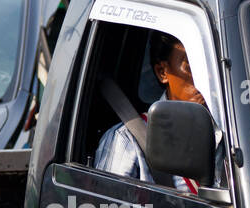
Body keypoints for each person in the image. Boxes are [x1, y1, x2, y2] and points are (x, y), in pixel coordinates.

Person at [94, 31, 220, 193]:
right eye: (191, 65)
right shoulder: (127, 140)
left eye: (210, 65)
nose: (207, 76)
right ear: (162, 72)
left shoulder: (233, 134)